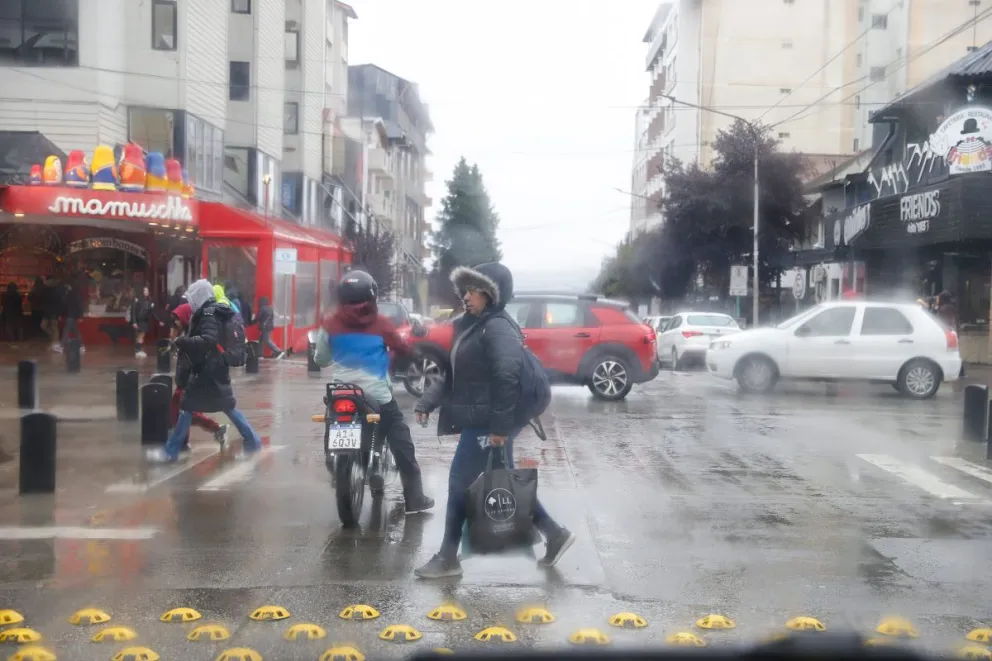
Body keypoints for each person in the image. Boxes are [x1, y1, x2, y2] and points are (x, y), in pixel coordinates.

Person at [413, 262, 574, 579]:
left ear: (492, 293)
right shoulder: (473, 324)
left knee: (460, 482)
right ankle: (554, 534)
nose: (466, 296)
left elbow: (507, 378)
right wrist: (427, 401)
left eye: (474, 290)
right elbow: (455, 374)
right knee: (504, 482)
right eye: (466, 289)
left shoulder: (498, 326)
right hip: (486, 419)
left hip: (490, 421)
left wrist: (500, 429)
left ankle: (447, 557)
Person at [314, 270, 434, 514]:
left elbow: (321, 359)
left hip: (341, 393)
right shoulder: (381, 324)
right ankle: (414, 499)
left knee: (332, 419)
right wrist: (411, 354)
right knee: (401, 441)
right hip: (376, 395)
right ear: (373, 295)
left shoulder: (329, 325)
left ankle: (335, 463)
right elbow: (403, 348)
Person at [146, 279, 262, 463]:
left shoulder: (208, 313)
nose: (190, 302)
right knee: (218, 405)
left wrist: (183, 342)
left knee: (190, 406)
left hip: (207, 370)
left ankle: (171, 452)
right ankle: (253, 441)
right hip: (213, 368)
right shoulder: (213, 311)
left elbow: (208, 340)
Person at [170, 302, 228, 449]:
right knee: (182, 410)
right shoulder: (188, 328)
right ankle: (214, 429)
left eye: (176, 321)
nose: (174, 326)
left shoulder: (195, 328)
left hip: (191, 377)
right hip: (186, 376)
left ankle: (179, 444)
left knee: (184, 410)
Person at [56, 281, 85, 353]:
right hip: (72, 316)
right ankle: (81, 346)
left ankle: (61, 346)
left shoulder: (70, 295)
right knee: (75, 331)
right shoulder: (74, 294)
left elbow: (77, 306)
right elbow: (79, 306)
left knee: (66, 330)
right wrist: (80, 316)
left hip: (70, 316)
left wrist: (81, 316)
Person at [128, 285, 155, 358]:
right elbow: (133, 311)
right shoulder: (137, 299)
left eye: (147, 291)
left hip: (145, 320)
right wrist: (134, 322)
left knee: (142, 335)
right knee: (140, 335)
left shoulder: (148, 300)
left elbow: (150, 310)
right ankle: (137, 351)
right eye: (145, 290)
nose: (146, 292)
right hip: (139, 320)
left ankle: (139, 350)